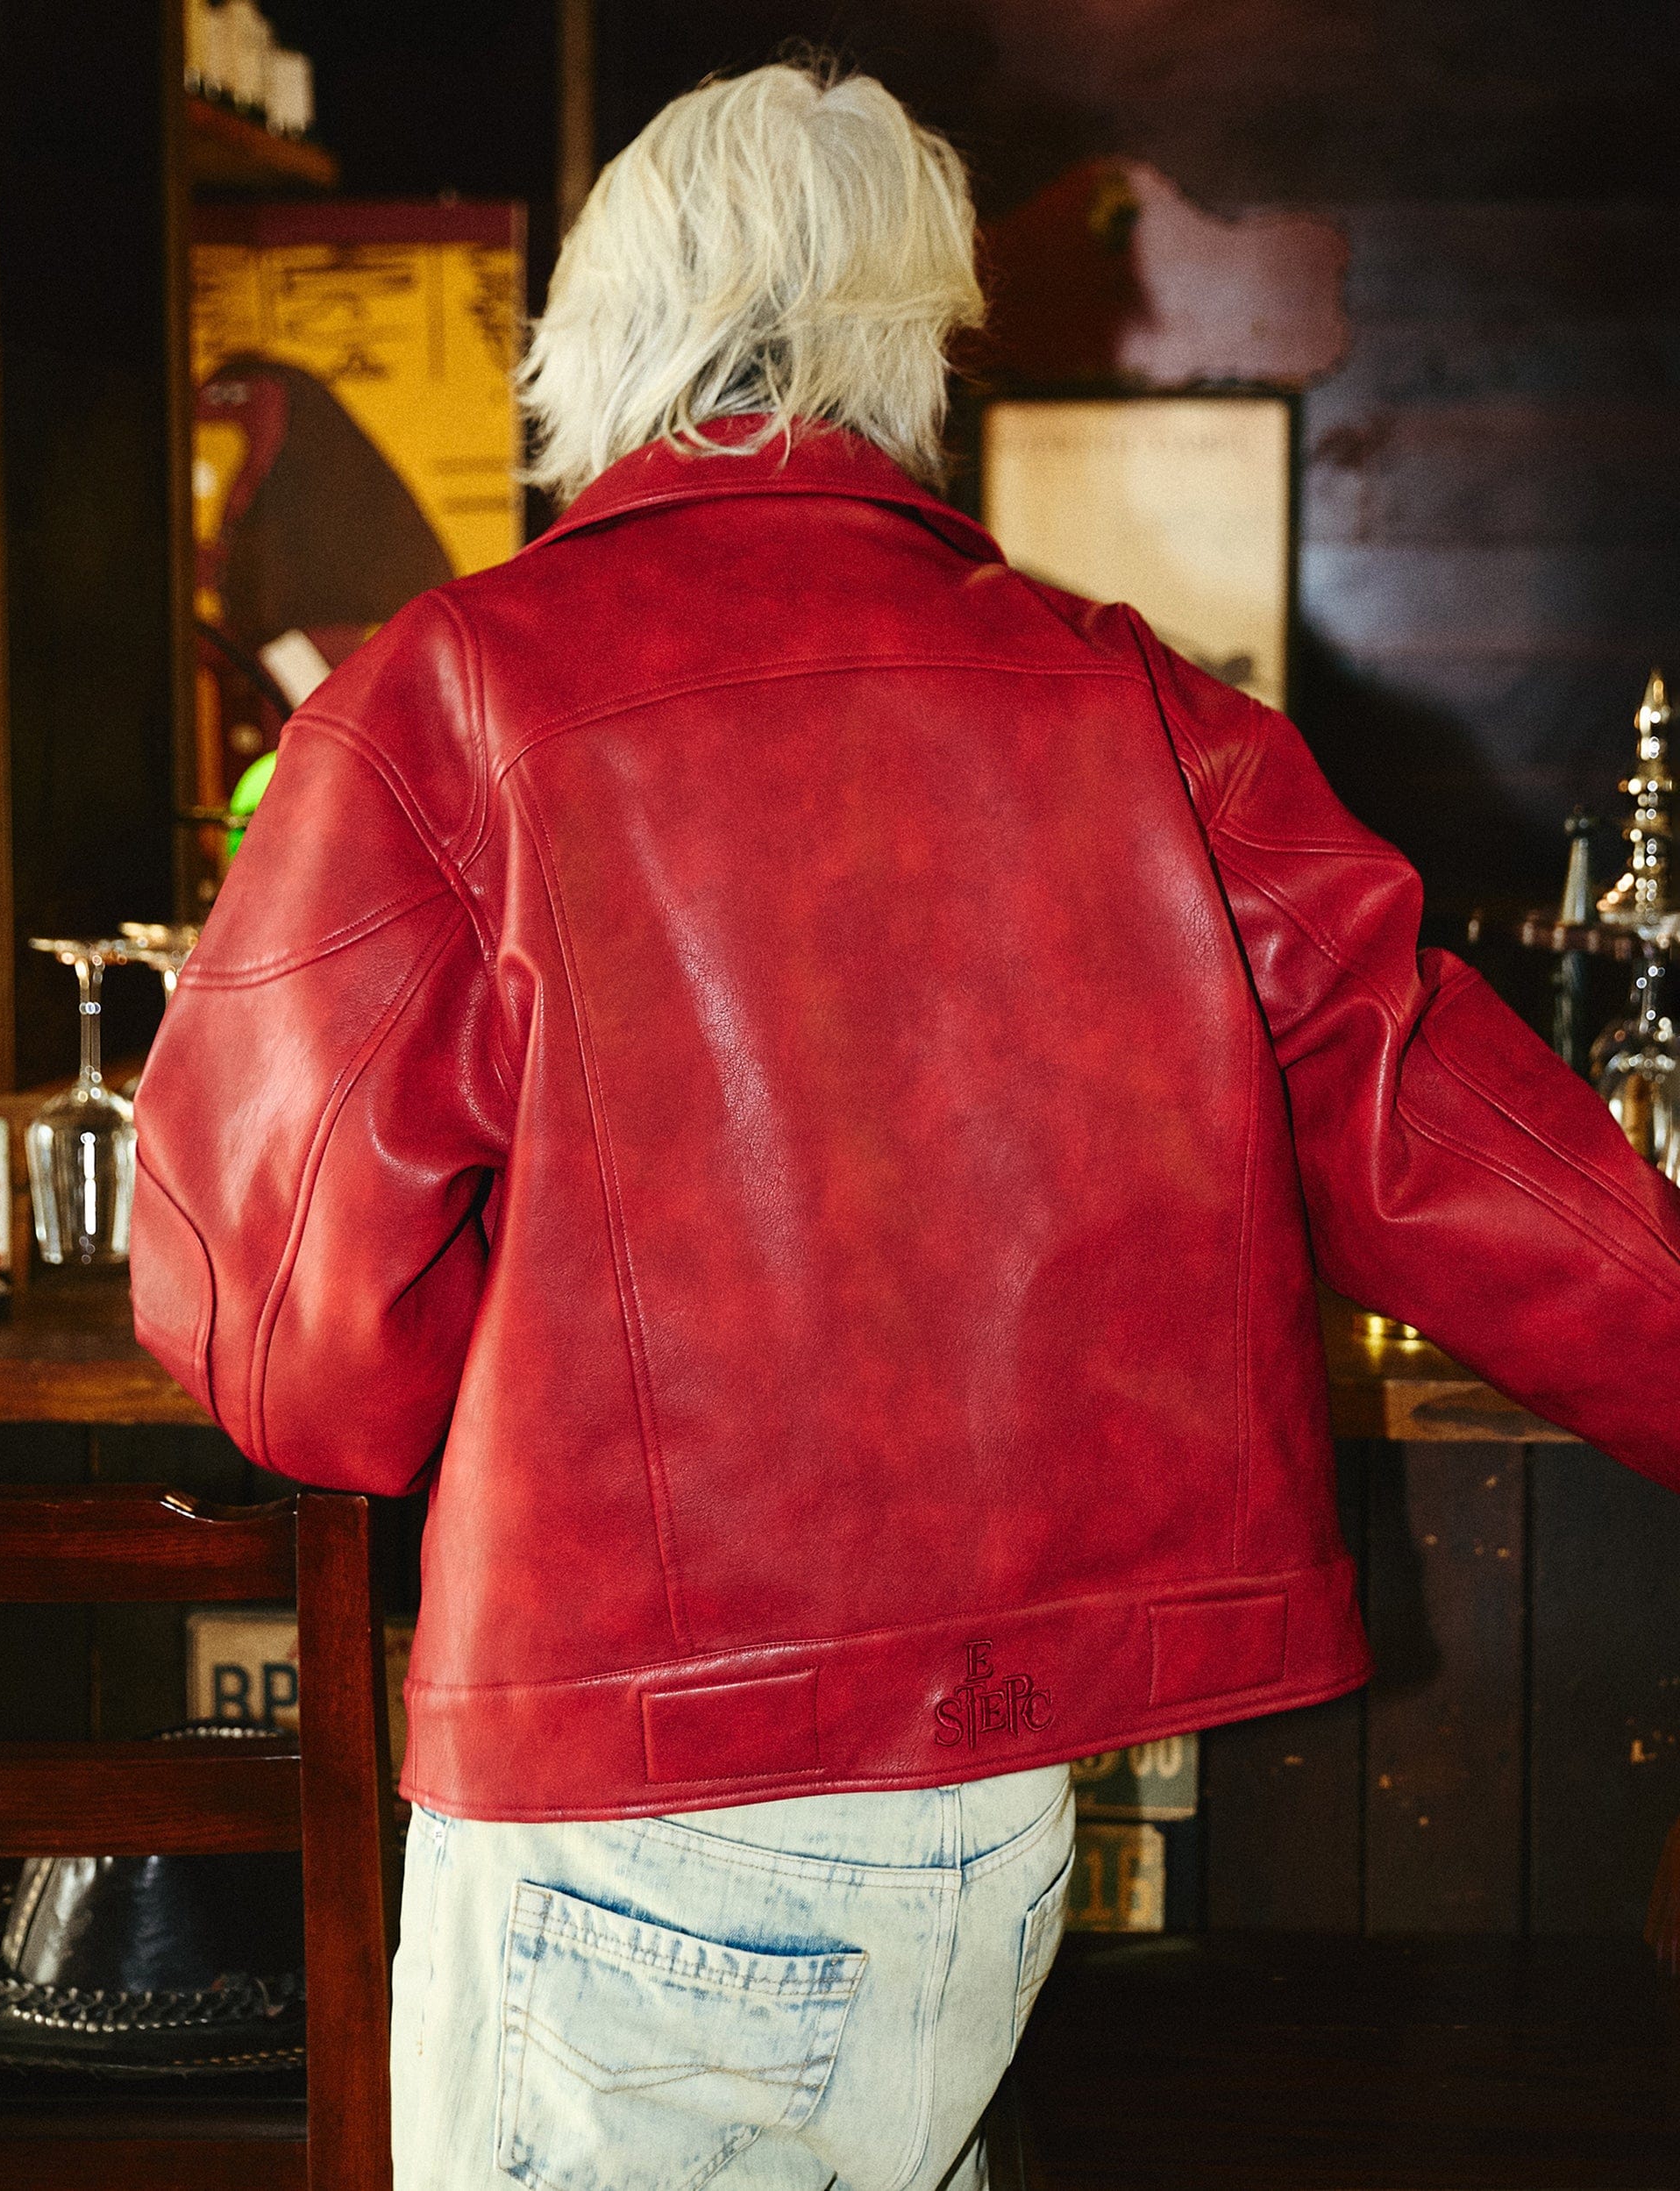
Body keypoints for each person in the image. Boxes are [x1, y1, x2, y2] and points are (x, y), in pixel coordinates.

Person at [131, 58, 1680, 2191]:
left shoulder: (452, 698)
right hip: (993, 1818)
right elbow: (1462, 1148)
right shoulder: (1135, 703)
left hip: (628, 1815)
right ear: (907, 348)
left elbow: (310, 1364)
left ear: (599, 333)